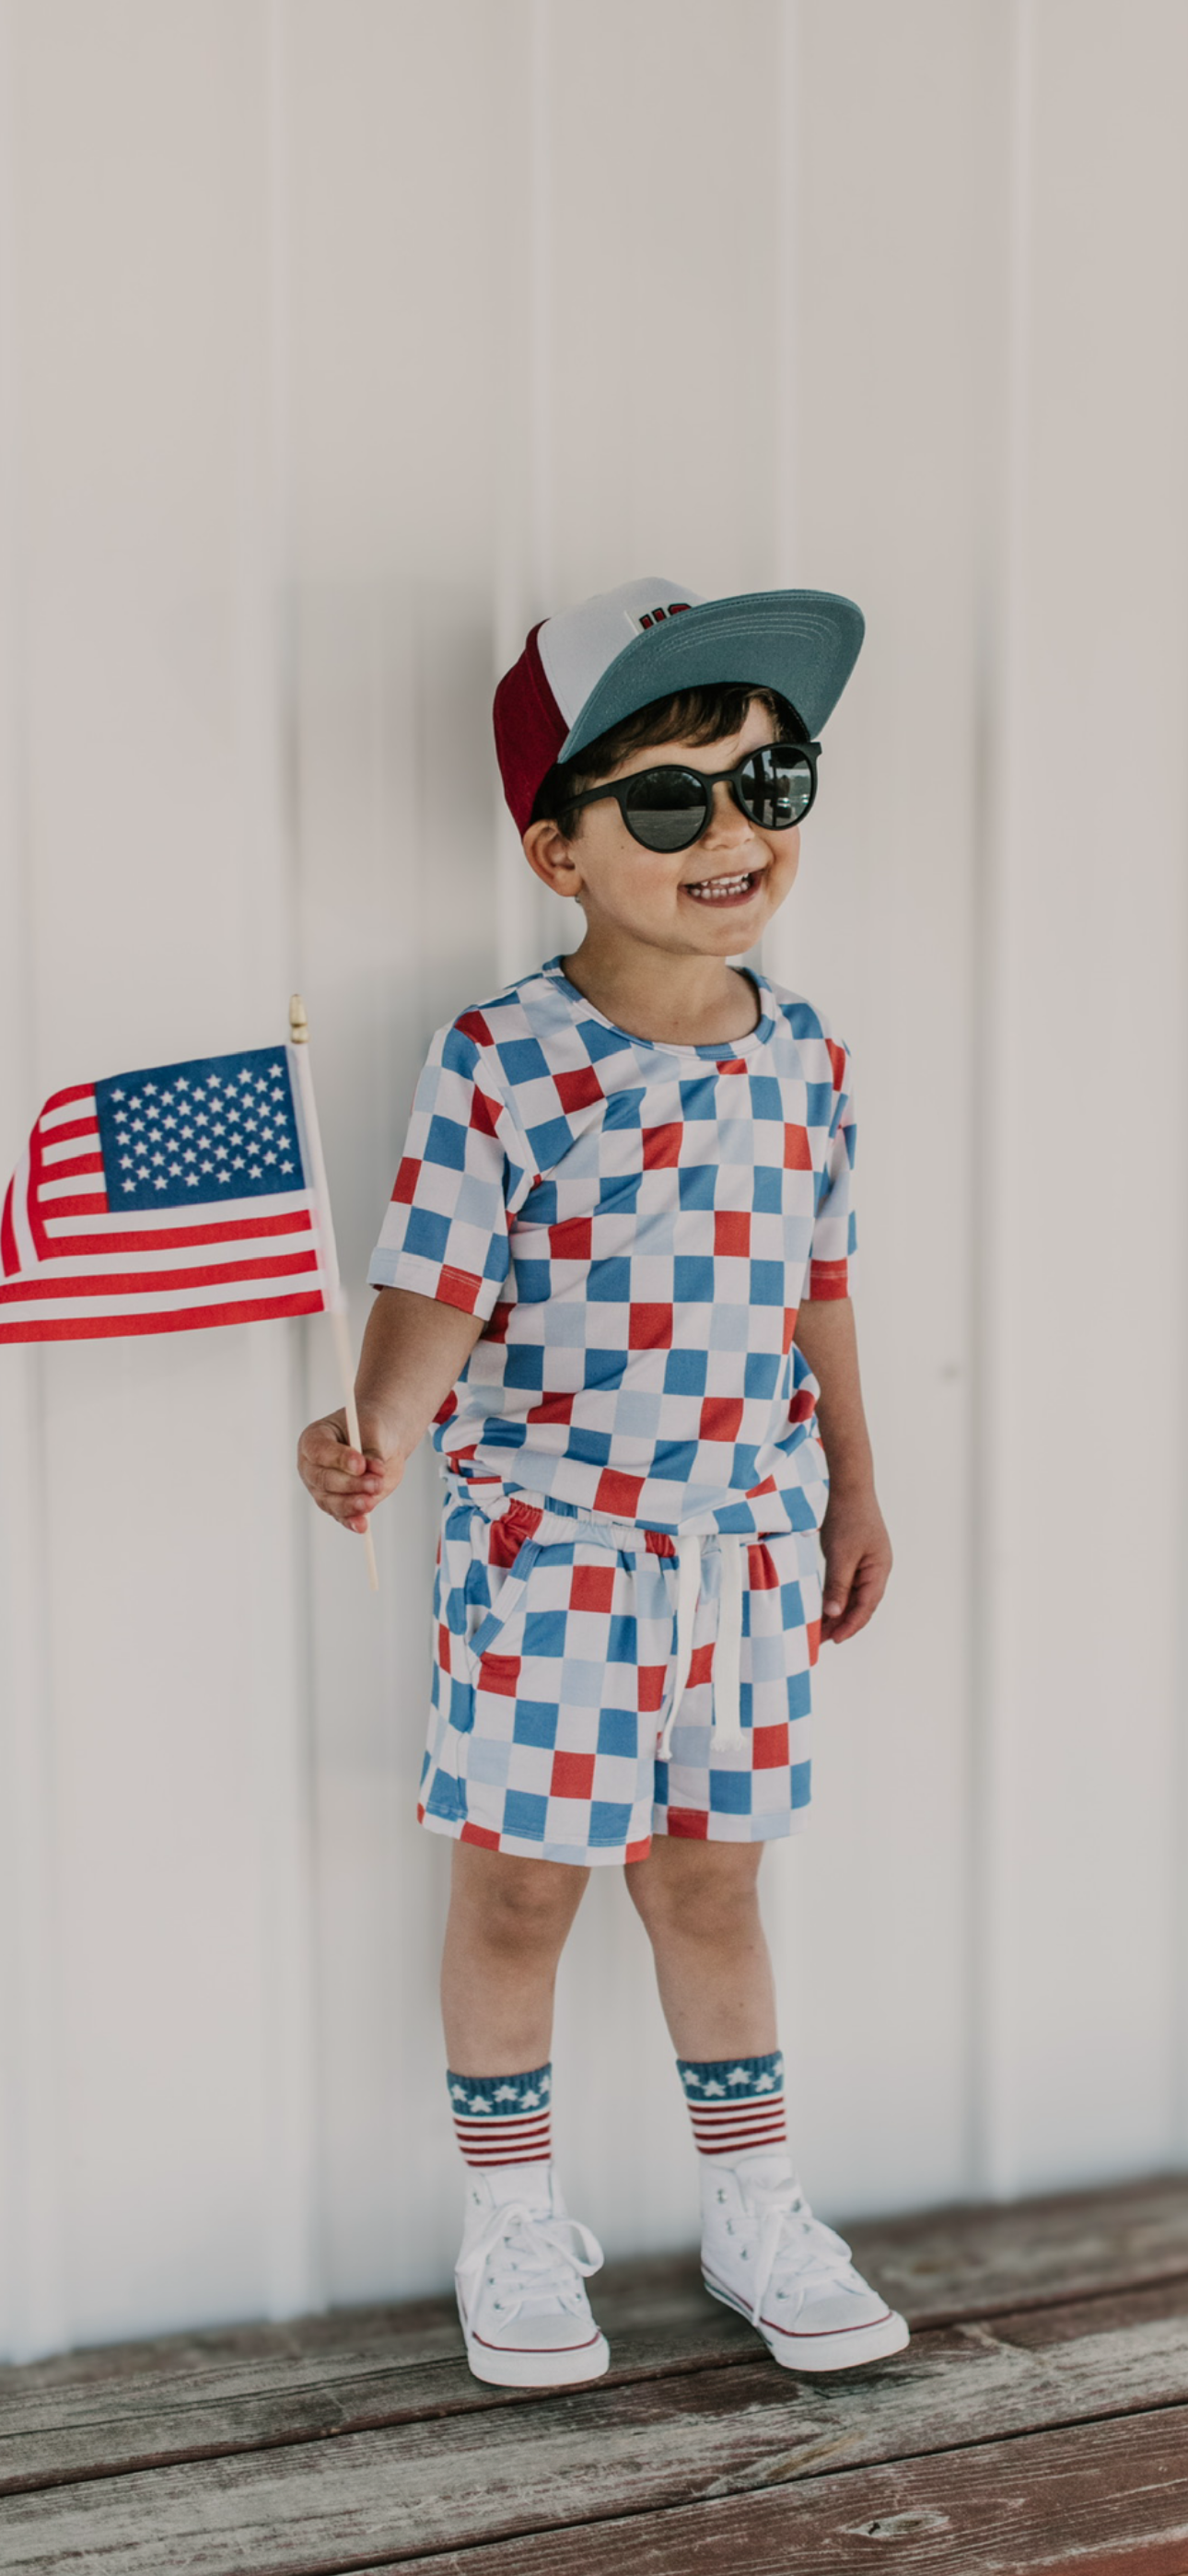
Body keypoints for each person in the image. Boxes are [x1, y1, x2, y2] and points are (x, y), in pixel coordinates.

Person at [297, 574, 908, 2389]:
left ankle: (756, 2207)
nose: (729, 832)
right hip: (553, 1552)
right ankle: (510, 2221)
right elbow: (434, 1286)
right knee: (523, 1890)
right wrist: (375, 1427)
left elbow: (816, 1285)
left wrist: (855, 1483)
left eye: (767, 783)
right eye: (667, 798)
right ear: (560, 849)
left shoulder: (804, 1052)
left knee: (713, 1885)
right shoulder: (502, 1058)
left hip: (748, 1544)